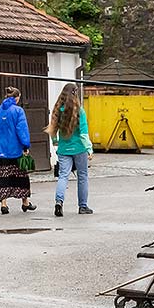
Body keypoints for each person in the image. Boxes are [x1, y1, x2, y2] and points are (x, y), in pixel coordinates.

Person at [45, 83, 94, 217]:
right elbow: (84, 134)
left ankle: (59, 202)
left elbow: (53, 130)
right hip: (79, 149)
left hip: (63, 149)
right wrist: (89, 149)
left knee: (63, 176)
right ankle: (83, 206)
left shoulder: (58, 110)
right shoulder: (80, 111)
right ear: (75, 93)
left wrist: (55, 143)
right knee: (82, 177)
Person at [0, 87, 36, 215]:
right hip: (15, 150)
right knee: (21, 176)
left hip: (0, 150)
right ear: (17, 98)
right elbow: (22, 130)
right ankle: (25, 202)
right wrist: (26, 146)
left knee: (2, 176)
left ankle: (4, 204)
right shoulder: (18, 111)